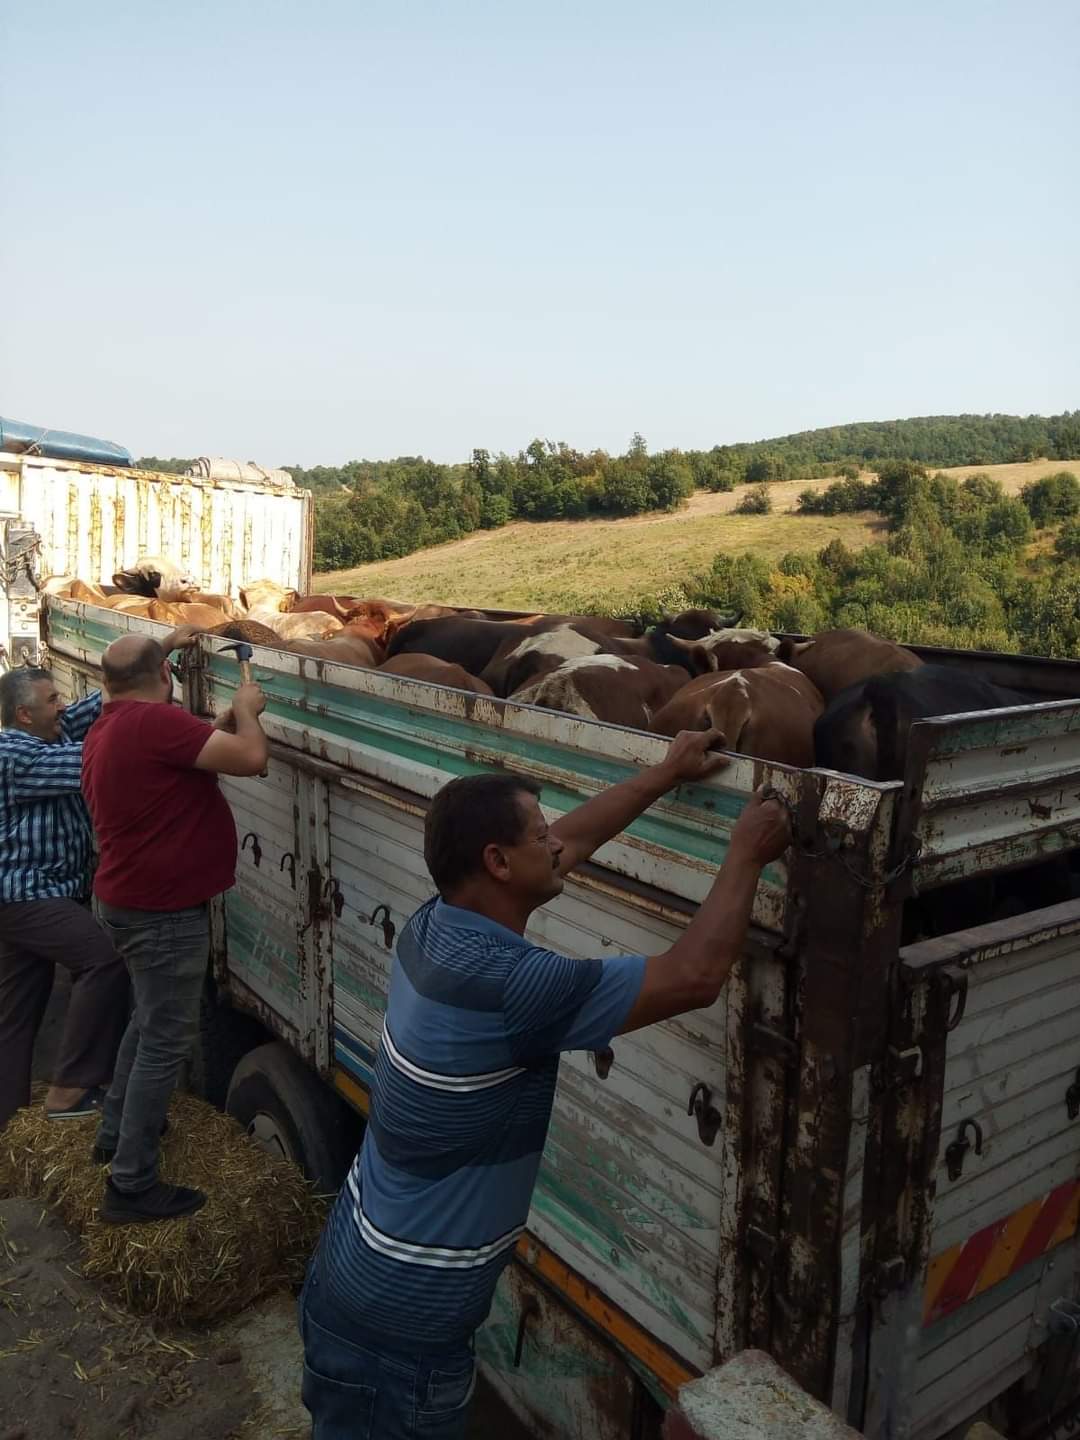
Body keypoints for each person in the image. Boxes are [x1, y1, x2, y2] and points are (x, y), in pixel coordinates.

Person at [300, 729, 791, 1440]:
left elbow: (569, 841)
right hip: (400, 1341)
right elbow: (694, 977)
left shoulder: (435, 925)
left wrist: (662, 775)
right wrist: (746, 850)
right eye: (538, 837)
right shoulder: (514, 987)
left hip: (352, 1289)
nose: (556, 843)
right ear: (497, 863)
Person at [81, 632, 270, 1224]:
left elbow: (189, 751)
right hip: (161, 915)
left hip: (125, 903)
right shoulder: (152, 726)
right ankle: (131, 1185)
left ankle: (114, 1133)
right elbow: (251, 759)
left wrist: (223, 720)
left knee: (147, 1021)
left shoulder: (111, 726)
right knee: (165, 1042)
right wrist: (246, 713)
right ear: (165, 675)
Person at [0, 627, 198, 1131]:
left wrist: (162, 647)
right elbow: (99, 758)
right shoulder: (14, 754)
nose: (62, 706)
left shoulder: (50, 729)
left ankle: (11, 1127)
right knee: (103, 959)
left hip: (41, 893)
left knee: (17, 1015)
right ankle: (71, 1089)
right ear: (24, 715)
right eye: (51, 700)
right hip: (26, 895)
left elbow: (102, 702)